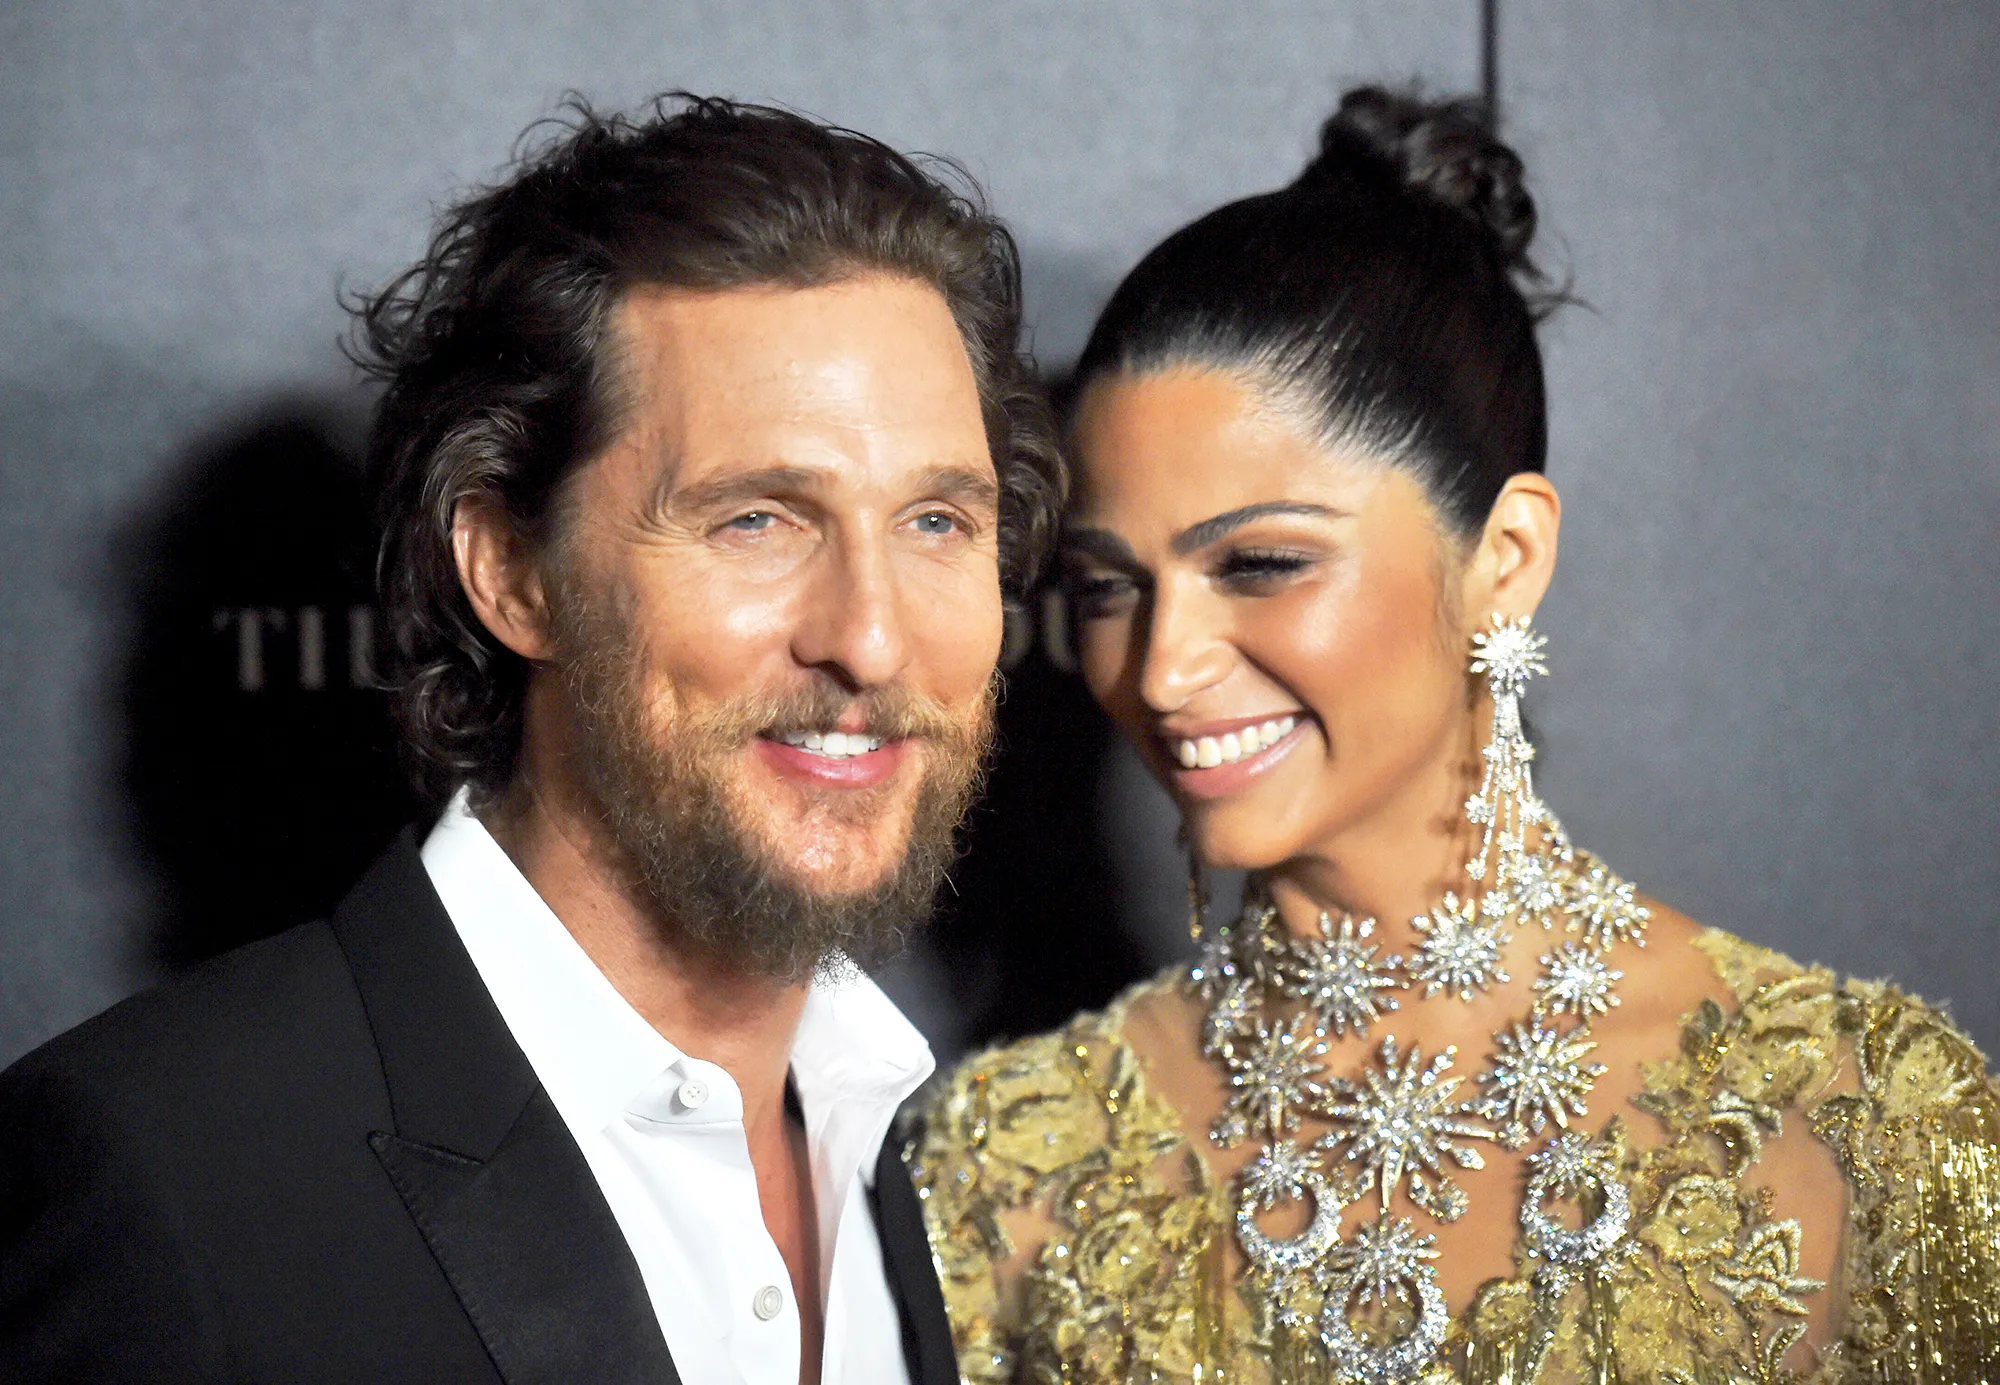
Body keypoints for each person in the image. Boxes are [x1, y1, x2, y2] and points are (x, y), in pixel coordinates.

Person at [910, 87, 2000, 1384]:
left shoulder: (1871, 1122)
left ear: (1507, 558)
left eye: (1259, 562)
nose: (1162, 666)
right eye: (1106, 588)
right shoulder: (1007, 1158)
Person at [0, 94, 1061, 1384]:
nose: (874, 641)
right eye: (758, 522)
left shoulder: (915, 1144)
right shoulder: (164, 1175)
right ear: (511, 571)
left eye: (939, 523)